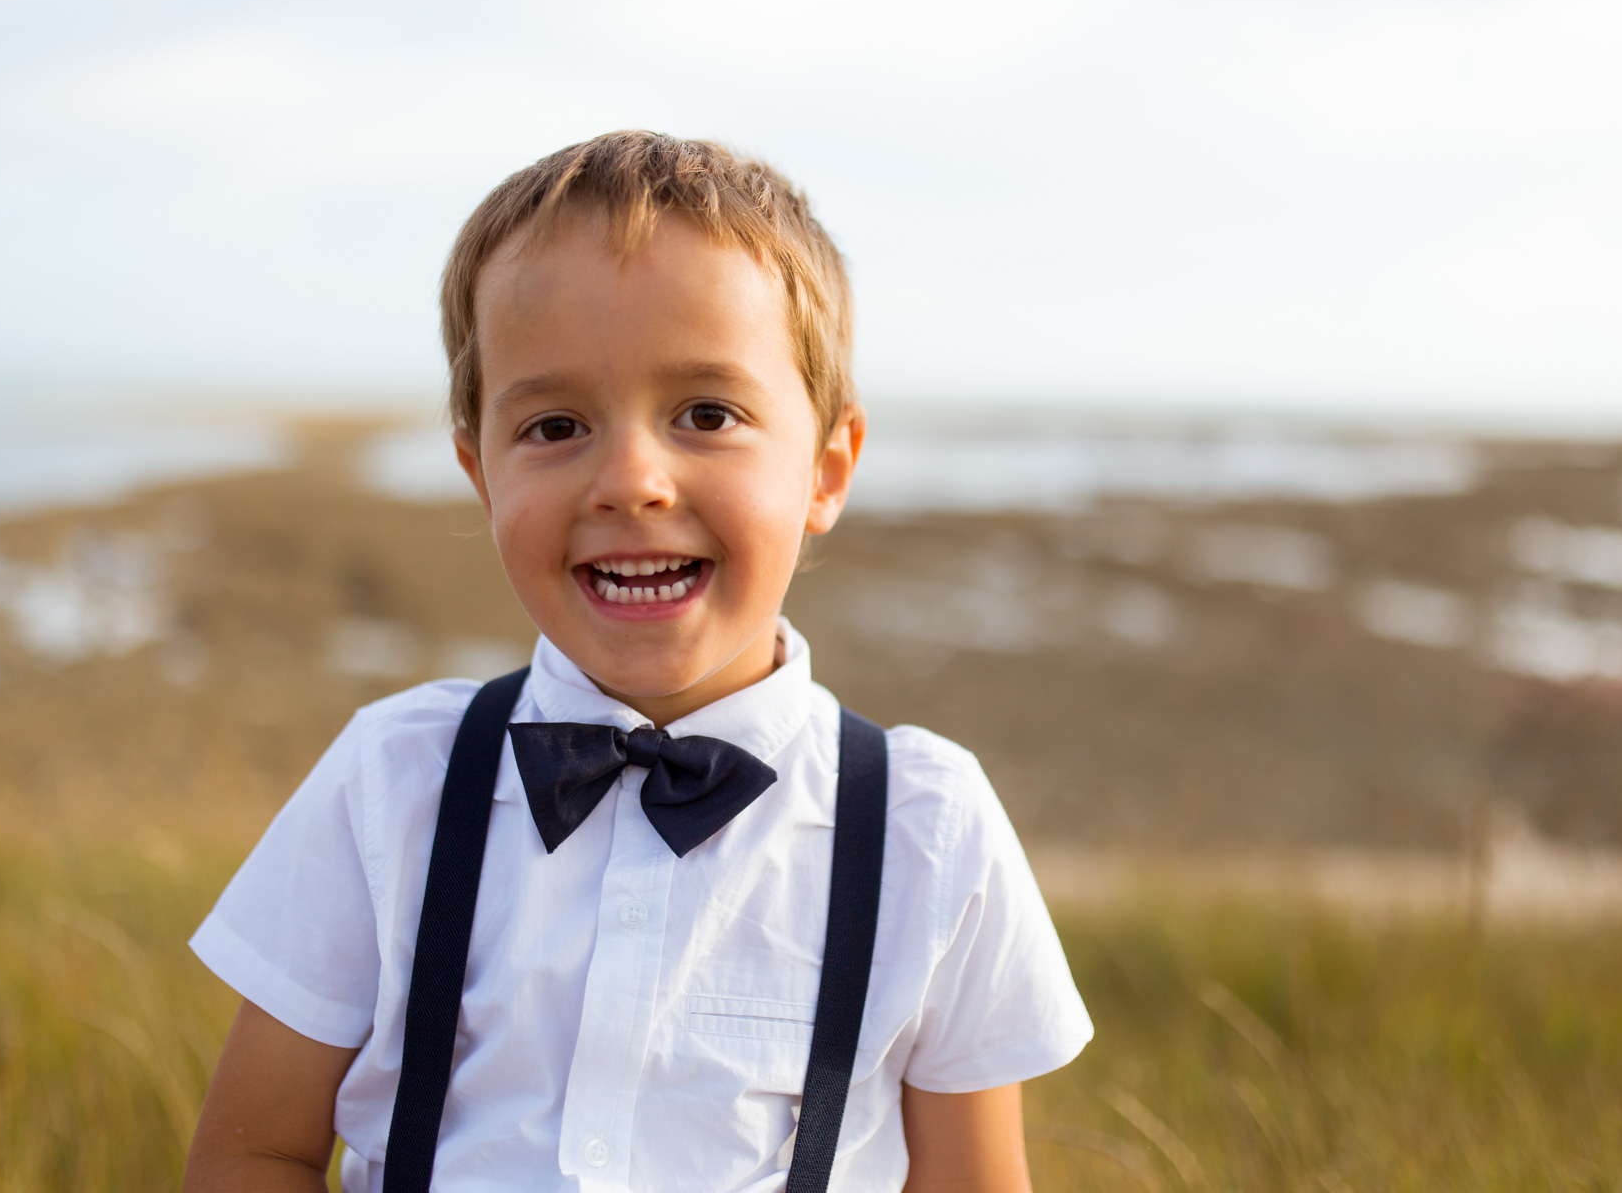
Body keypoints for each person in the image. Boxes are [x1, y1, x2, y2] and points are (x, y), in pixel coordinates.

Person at [182, 130, 1092, 1192]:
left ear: (827, 469)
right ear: (482, 472)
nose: (631, 480)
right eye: (556, 424)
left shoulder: (928, 826)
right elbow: (255, 1151)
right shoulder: (392, 778)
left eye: (707, 414)